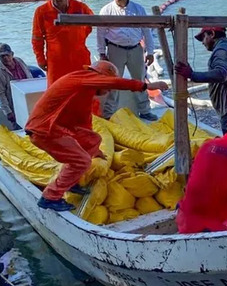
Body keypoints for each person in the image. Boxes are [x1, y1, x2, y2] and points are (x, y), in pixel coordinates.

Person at [25, 60, 168, 211]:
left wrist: (95, 149)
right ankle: (50, 197)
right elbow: (116, 83)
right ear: (101, 78)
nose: (108, 91)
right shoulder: (83, 77)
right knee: (82, 161)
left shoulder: (84, 91)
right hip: (44, 130)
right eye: (107, 87)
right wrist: (146, 86)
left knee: (94, 139)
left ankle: (71, 182)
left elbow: (84, 124)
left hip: (55, 127)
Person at [174, 27, 227, 134]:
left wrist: (192, 75)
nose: (202, 42)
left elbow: (221, 74)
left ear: (212, 34)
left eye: (203, 37)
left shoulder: (221, 51)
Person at [96, 0, 157, 121]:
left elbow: (146, 31)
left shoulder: (138, 9)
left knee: (139, 80)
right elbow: (100, 33)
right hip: (115, 49)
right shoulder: (106, 10)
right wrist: (102, 53)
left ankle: (145, 110)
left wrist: (150, 51)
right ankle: (109, 113)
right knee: (113, 82)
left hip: (135, 49)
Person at [31, 0, 94, 86]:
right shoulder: (41, 12)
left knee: (83, 91)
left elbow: (90, 26)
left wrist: (76, 38)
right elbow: (37, 38)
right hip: (56, 62)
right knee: (57, 94)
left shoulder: (81, 8)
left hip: (79, 59)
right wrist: (40, 59)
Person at [0, 43, 32, 130]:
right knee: (20, 130)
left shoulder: (19, 61)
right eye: (2, 56)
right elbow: (0, 94)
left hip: (28, 101)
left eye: (7, 55)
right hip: (14, 106)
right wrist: (8, 112)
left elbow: (30, 77)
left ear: (12, 54)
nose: (5, 58)